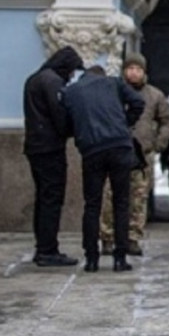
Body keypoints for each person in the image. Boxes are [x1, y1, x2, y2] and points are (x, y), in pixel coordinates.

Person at [61, 65, 145, 273]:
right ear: (102, 74)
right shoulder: (114, 83)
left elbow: (65, 120)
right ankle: (120, 258)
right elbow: (138, 102)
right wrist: (125, 123)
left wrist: (81, 132)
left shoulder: (71, 91)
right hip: (119, 147)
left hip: (92, 150)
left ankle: (91, 258)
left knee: (92, 204)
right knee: (121, 202)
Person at [101, 53, 169, 256]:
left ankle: (133, 238)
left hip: (142, 156)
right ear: (124, 71)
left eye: (138, 69)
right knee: (109, 197)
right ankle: (107, 237)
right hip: (115, 151)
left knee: (138, 198)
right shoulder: (113, 92)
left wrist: (158, 144)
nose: (134, 73)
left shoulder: (154, 95)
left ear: (144, 72)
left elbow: (167, 121)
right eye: (130, 68)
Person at [22, 46, 84, 268]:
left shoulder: (35, 79)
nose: (71, 75)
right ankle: (48, 250)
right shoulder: (53, 82)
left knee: (43, 198)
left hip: (35, 146)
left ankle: (43, 247)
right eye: (72, 70)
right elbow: (60, 116)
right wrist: (74, 128)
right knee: (51, 199)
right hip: (50, 148)